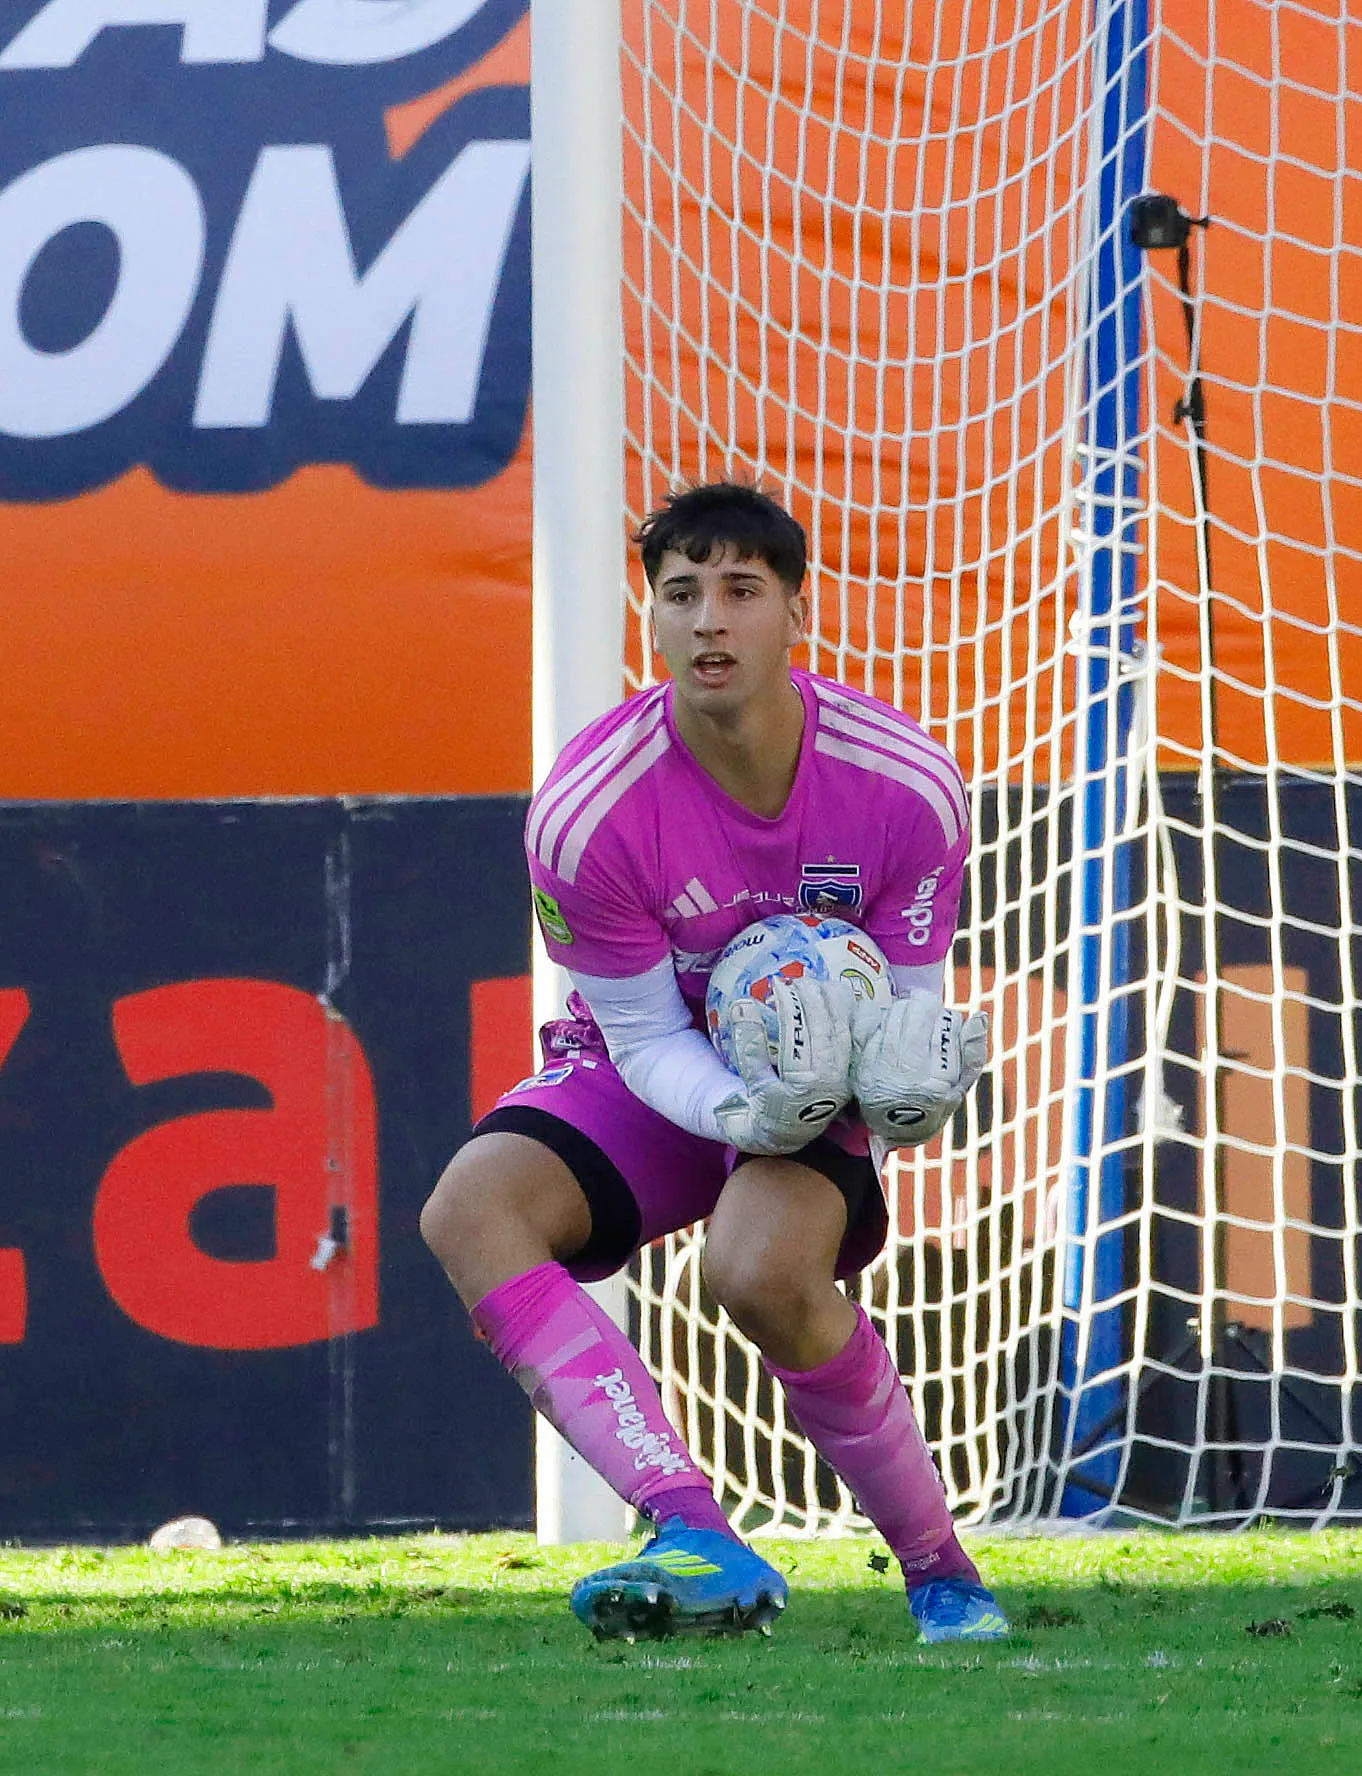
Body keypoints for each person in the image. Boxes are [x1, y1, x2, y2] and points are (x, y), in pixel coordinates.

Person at [421, 483, 1009, 1645]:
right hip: (663, 1073)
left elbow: (904, 1009)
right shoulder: (585, 815)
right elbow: (640, 1039)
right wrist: (746, 1107)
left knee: (758, 1276)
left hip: (822, 1079)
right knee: (469, 1212)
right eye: (681, 594)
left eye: (741, 591)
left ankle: (942, 1573)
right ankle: (692, 1528)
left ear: (799, 607)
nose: (709, 622)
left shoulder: (907, 786)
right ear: (652, 617)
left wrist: (902, 1094)